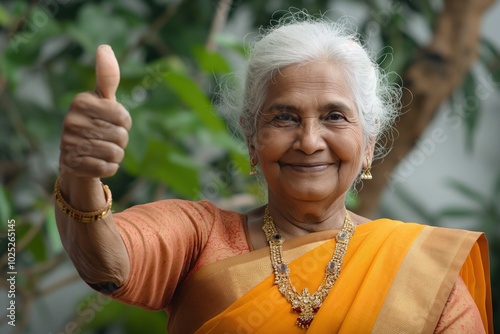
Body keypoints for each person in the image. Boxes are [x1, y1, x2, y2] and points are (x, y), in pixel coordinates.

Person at [54, 13, 493, 333]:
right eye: (284, 117)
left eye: (335, 117)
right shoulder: (200, 236)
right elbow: (106, 261)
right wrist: (79, 174)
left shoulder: (421, 273)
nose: (308, 140)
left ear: (369, 146)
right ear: (251, 140)